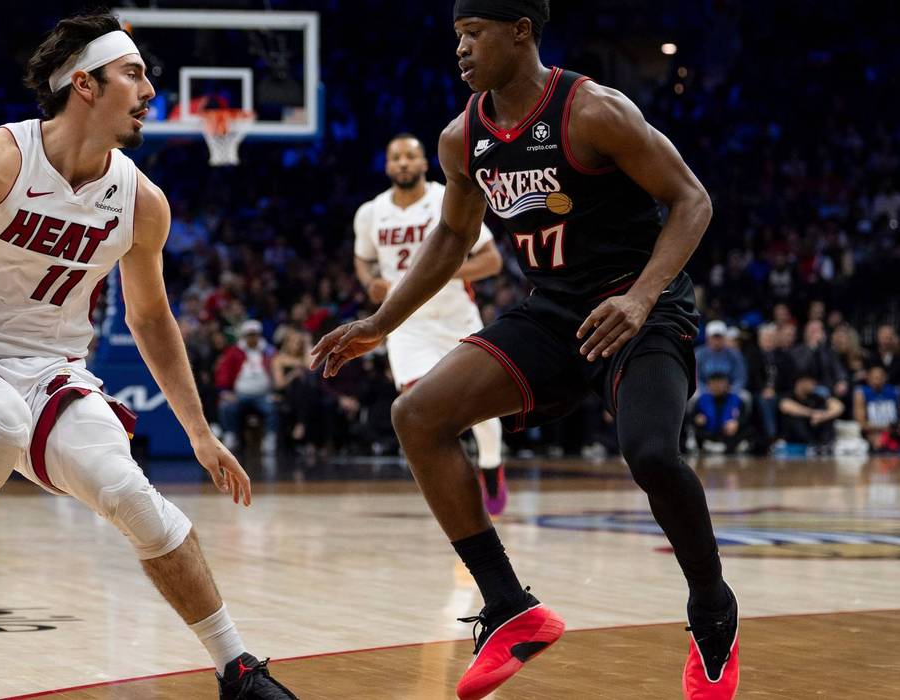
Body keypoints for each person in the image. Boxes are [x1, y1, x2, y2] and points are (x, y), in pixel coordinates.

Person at [0, 12, 295, 700]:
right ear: (84, 84)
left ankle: (236, 669)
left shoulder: (141, 201)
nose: (150, 91)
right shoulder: (2, 157)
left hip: (54, 370)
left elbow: (149, 318)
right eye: (134, 74)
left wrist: (199, 432)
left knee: (131, 495)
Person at [311, 2, 738, 698]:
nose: (460, 49)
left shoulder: (594, 112)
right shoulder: (461, 138)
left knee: (652, 455)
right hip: (554, 311)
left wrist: (639, 299)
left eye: (473, 35)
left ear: (520, 33)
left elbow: (692, 200)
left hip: (639, 306)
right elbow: (452, 237)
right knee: (416, 415)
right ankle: (510, 608)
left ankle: (712, 609)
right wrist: (382, 321)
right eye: (456, 36)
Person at [353, 133, 509, 513]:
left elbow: (492, 261)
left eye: (411, 156)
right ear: (388, 166)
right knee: (419, 407)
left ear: (425, 163)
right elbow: (363, 260)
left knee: (480, 408)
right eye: (396, 157)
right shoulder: (371, 212)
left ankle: (491, 465)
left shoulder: (447, 198)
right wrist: (371, 282)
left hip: (456, 318)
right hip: (406, 324)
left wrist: (441, 271)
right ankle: (455, 485)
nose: (404, 163)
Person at [215, 320, 278, 454]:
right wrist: (224, 391)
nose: (252, 338)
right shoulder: (234, 352)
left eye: (255, 335)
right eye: (249, 335)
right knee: (225, 406)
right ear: (244, 336)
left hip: (263, 395)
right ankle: (231, 434)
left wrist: (276, 391)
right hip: (240, 395)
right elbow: (224, 372)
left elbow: (276, 372)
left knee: (273, 407)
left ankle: (270, 437)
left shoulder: (268, 351)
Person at [779, 373, 844, 451]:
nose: (814, 385)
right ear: (801, 382)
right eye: (810, 382)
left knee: (826, 415)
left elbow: (838, 406)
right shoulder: (789, 395)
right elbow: (785, 406)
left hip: (814, 433)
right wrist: (812, 414)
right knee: (795, 419)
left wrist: (823, 416)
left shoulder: (815, 396)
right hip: (794, 438)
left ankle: (824, 444)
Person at [692, 373, 745, 453]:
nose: (717, 386)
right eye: (714, 383)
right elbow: (692, 416)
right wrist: (697, 418)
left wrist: (737, 423)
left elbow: (744, 417)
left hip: (728, 435)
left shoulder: (736, 400)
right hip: (708, 434)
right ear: (709, 385)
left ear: (727, 384)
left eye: (720, 383)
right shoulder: (702, 400)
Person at [854, 364, 899, 453]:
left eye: (880, 378)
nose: (877, 381)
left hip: (894, 431)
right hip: (874, 431)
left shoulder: (895, 391)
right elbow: (861, 424)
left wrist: (894, 428)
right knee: (878, 442)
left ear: (885, 378)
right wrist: (883, 428)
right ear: (868, 379)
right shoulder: (861, 393)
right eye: (874, 378)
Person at [695, 320, 747, 395]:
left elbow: (741, 376)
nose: (716, 341)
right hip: (705, 390)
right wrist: (705, 390)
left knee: (745, 396)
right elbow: (695, 378)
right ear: (707, 338)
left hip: (729, 390)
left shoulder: (734, 354)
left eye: (719, 337)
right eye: (714, 337)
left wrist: (733, 389)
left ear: (724, 338)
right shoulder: (699, 354)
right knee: (693, 396)